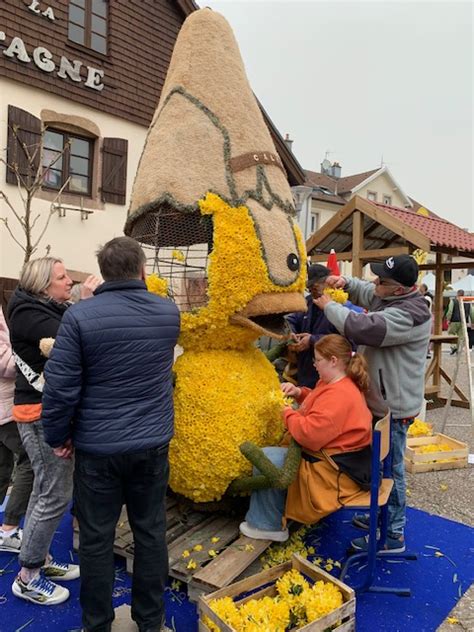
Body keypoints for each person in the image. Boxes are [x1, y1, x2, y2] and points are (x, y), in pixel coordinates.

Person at [41, 236, 180, 632]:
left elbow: (61, 388)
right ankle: (150, 621)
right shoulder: (167, 313)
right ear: (141, 270)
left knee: (97, 539)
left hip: (98, 448)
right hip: (151, 444)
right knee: (151, 532)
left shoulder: (80, 318)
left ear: (101, 274)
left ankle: (97, 624)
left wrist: (57, 436)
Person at [314, 254, 431, 553]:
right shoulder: (389, 296)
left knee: (391, 471)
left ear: (399, 289)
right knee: (378, 466)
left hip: (394, 408)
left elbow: (363, 328)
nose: (375, 282)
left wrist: (330, 306)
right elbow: (366, 291)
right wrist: (345, 283)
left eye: (383, 281)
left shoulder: (410, 315)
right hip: (380, 402)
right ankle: (380, 517)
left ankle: (393, 535)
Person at [8, 259, 100, 606]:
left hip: (46, 411)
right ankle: (28, 575)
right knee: (54, 493)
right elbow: (76, 337)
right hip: (39, 414)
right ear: (43, 285)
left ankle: (39, 557)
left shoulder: (41, 307)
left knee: (46, 490)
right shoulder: (29, 315)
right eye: (61, 278)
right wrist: (88, 303)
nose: (68, 282)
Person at [240, 334, 372, 542]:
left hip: (332, 474)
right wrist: (299, 392)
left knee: (268, 458)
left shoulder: (339, 395)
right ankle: (275, 512)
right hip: (346, 465)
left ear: (333, 361)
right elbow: (318, 402)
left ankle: (266, 524)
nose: (314, 365)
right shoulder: (337, 382)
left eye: (317, 360)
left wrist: (285, 411)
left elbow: (308, 435)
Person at [0, 307, 33, 553]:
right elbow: (7, 365)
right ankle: (9, 528)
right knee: (29, 461)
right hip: (6, 408)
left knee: (3, 467)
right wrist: (32, 351)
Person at [286, 264, 338, 388]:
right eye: (309, 288)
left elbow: (345, 341)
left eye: (314, 287)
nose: (311, 291)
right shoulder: (308, 302)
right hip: (306, 371)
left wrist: (312, 339)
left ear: (327, 283)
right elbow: (291, 320)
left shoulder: (342, 305)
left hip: (331, 372)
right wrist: (291, 333)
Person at [446, 289, 473, 355]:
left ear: (457, 294)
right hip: (464, 322)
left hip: (454, 321)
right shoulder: (467, 303)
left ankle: (454, 346)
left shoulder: (453, 301)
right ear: (463, 295)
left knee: (451, 334)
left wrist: (448, 319)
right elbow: (472, 313)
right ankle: (459, 350)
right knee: (461, 337)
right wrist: (472, 321)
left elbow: (450, 311)